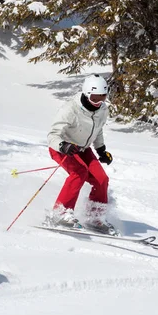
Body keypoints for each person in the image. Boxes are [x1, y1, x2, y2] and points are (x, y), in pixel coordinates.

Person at [47, 74, 115, 233]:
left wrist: (101, 150)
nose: (99, 102)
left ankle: (95, 217)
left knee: (101, 179)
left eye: (103, 97)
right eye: (95, 97)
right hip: (63, 147)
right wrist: (63, 146)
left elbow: (98, 130)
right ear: (86, 93)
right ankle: (61, 213)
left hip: (83, 149)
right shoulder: (70, 109)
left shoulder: (102, 109)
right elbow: (52, 135)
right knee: (79, 172)